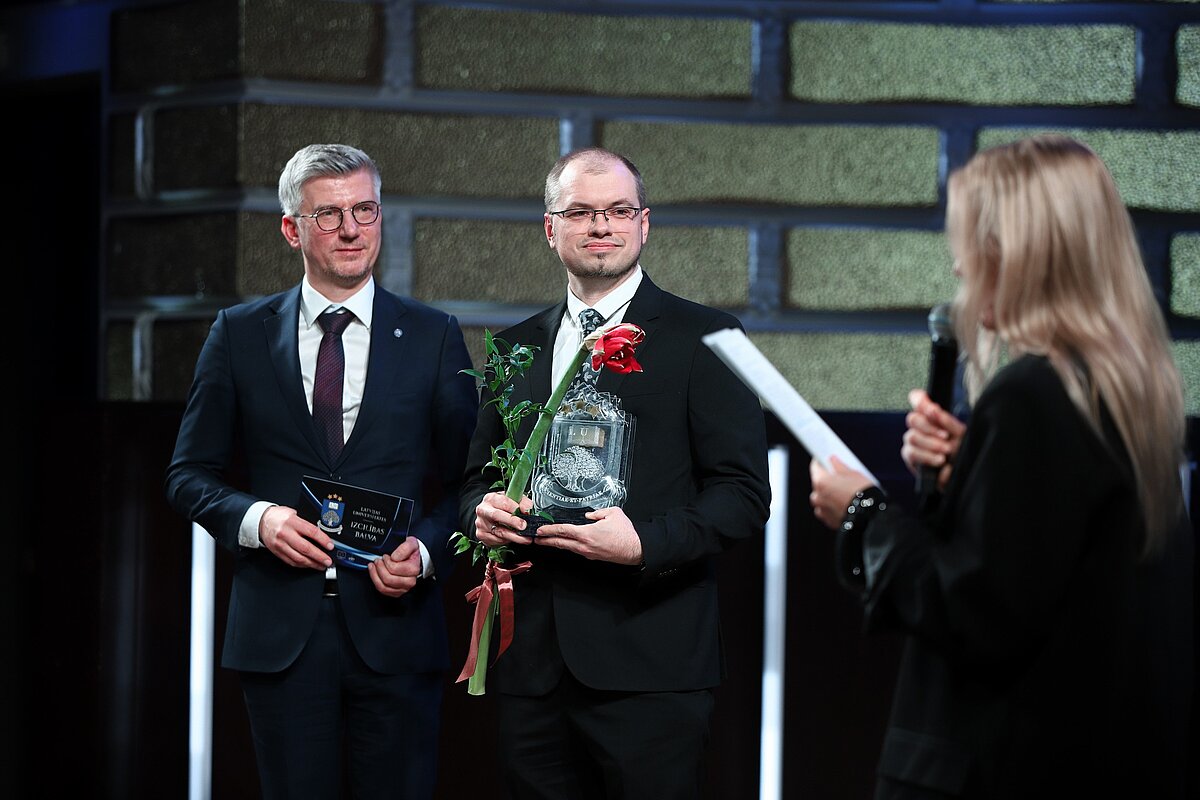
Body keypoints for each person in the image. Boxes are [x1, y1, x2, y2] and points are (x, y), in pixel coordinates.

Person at [809, 134, 1195, 799]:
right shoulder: (1126, 389)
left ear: (1016, 253)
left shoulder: (1031, 396)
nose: (959, 269)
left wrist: (863, 516)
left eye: (968, 242)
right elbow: (1052, 567)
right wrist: (974, 475)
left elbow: (973, 612)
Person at [165, 143, 478, 799]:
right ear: (292, 229)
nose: (351, 229)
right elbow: (188, 474)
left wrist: (423, 552)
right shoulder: (239, 333)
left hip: (397, 634)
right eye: (330, 214)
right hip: (280, 637)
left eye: (365, 210)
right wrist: (259, 520)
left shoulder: (434, 335)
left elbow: (468, 485)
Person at [461, 147, 772, 799]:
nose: (601, 224)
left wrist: (645, 544)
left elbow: (743, 495)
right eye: (581, 211)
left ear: (644, 223)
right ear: (551, 229)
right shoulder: (513, 348)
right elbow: (471, 485)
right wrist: (481, 513)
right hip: (532, 667)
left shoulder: (708, 338)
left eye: (618, 210)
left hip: (652, 663)